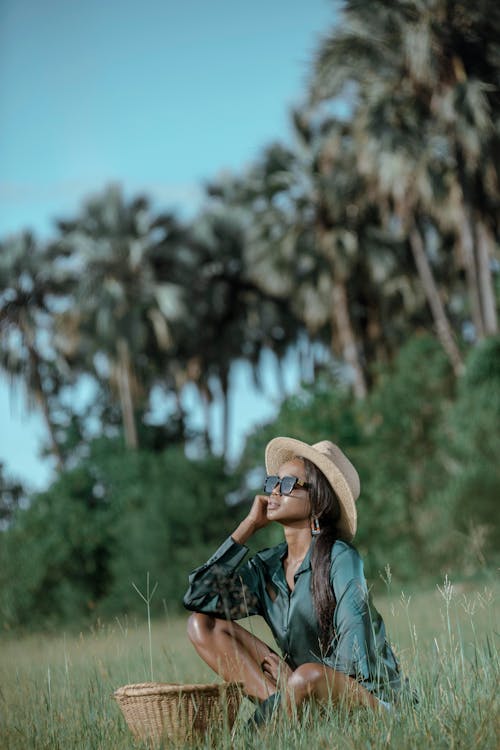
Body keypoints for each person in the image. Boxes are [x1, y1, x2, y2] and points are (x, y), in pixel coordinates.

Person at [183, 437, 401, 722]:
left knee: (306, 677)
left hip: (368, 699)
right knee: (202, 624)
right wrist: (247, 527)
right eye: (273, 482)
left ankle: (273, 725)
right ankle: (281, 711)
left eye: (287, 485)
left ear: (319, 500)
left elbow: (354, 660)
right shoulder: (267, 566)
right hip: (300, 692)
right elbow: (198, 597)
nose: (274, 490)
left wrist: (296, 678)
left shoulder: (341, 558)